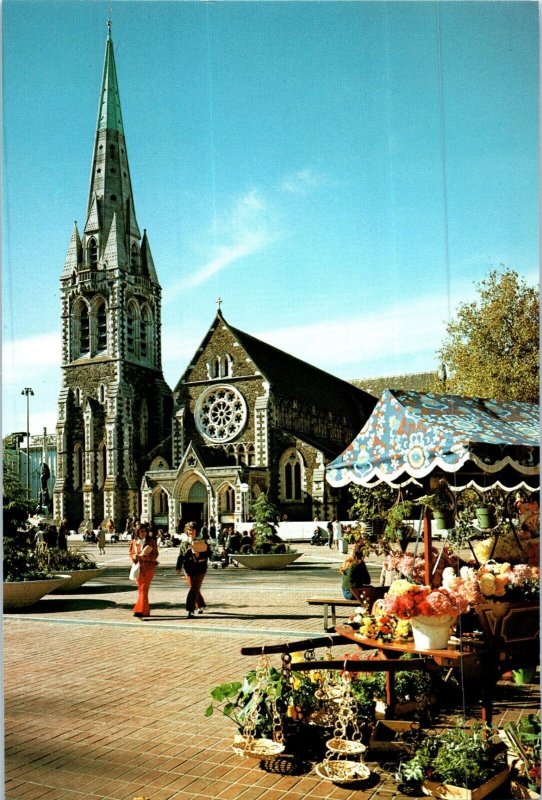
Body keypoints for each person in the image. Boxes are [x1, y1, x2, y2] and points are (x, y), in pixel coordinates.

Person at [176, 521, 210, 618]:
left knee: (194, 588)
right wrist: (178, 567)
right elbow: (180, 556)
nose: (191, 532)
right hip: (188, 568)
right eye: (189, 530)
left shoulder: (202, 540)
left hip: (200, 568)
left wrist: (200, 555)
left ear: (196, 530)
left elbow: (208, 553)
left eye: (193, 530)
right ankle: (201, 605)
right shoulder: (184, 542)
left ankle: (190, 609)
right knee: (194, 588)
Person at [129, 523, 158, 618]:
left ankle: (141, 610)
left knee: (144, 588)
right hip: (139, 568)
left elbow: (155, 554)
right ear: (137, 532)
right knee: (141, 589)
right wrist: (134, 557)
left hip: (149, 567)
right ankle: (142, 610)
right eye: (141, 531)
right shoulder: (134, 542)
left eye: (145, 531)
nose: (143, 533)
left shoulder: (151, 542)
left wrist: (145, 556)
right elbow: (131, 553)